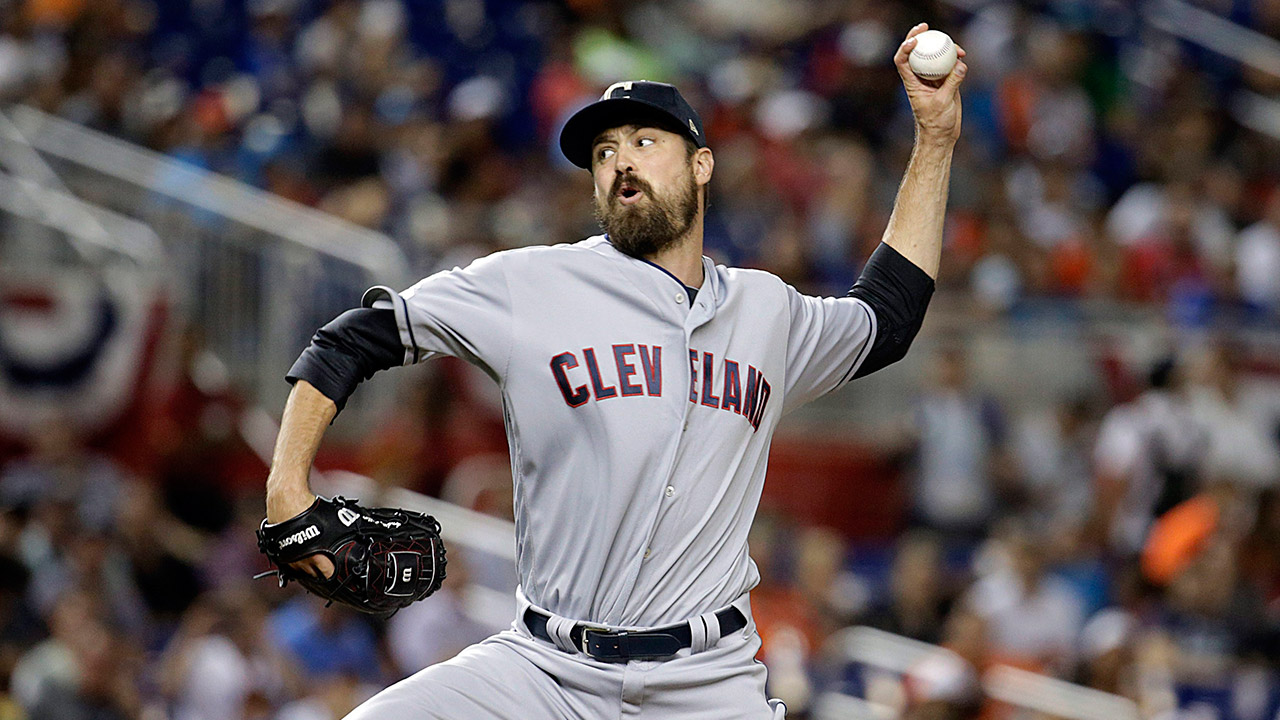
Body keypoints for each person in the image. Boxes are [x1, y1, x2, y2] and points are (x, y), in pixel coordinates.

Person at [263, 24, 966, 720]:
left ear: (701, 165)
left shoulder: (766, 311)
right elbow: (351, 340)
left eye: (643, 141)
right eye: (603, 150)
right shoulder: (530, 284)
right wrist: (287, 484)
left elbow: (889, 317)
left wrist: (935, 138)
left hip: (706, 683)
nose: (620, 161)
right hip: (543, 670)